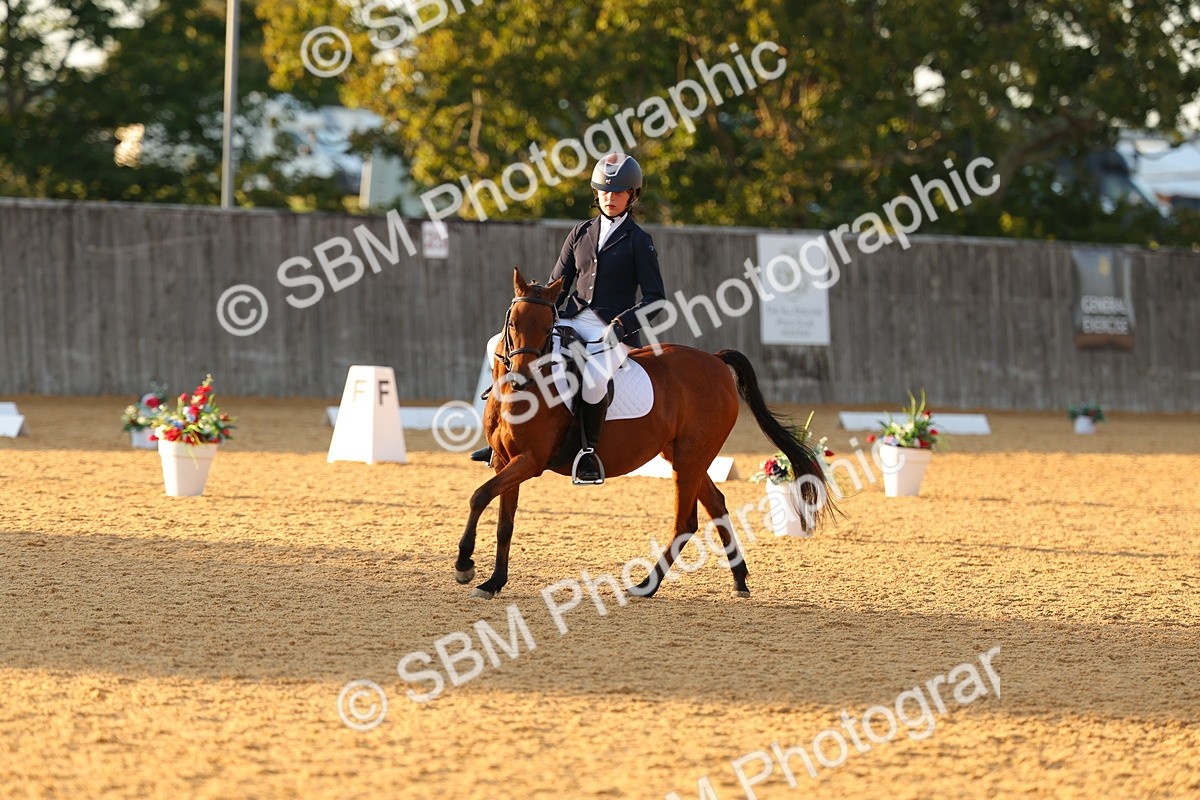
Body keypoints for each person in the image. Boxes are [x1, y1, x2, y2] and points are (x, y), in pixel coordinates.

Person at [471, 152, 666, 484]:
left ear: (631, 196)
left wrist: (622, 325)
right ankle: (501, 439)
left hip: (611, 328)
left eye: (619, 192)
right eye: (605, 191)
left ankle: (588, 454)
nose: (611, 198)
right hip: (572, 319)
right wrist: (537, 301)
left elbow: (655, 299)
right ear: (597, 194)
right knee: (499, 347)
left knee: (591, 380)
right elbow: (557, 285)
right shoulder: (581, 232)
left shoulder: (638, 241)